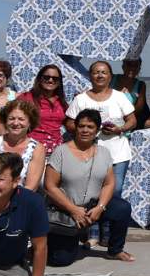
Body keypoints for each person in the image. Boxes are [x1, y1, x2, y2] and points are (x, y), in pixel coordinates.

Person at [66, 59, 137, 251]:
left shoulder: (119, 97)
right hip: (89, 154)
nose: (100, 75)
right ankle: (93, 232)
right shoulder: (81, 99)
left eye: (104, 72)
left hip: (118, 153)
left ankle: (109, 233)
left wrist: (120, 129)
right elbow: (70, 122)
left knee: (114, 193)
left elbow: (132, 120)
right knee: (91, 194)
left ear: (110, 76)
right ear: (90, 76)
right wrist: (87, 132)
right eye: (96, 72)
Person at [44, 110, 118, 263]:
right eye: (81, 126)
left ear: (97, 130)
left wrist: (101, 207)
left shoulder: (104, 152)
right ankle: (73, 238)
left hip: (93, 207)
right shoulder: (61, 151)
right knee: (60, 261)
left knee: (122, 209)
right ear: (75, 128)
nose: (85, 130)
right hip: (65, 209)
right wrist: (72, 209)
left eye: (90, 127)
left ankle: (115, 250)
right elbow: (50, 186)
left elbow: (109, 183)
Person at [0, 99, 49, 191]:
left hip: (20, 201)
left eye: (21, 119)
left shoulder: (37, 149)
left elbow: (31, 187)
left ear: (30, 123)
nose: (15, 123)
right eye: (11, 118)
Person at [26, 64, 69, 149]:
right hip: (32, 147)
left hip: (56, 149)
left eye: (55, 78)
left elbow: (69, 124)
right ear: (40, 78)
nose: (50, 80)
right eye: (46, 77)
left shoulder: (61, 102)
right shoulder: (26, 98)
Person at [117, 57, 149, 126]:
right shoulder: (112, 79)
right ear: (123, 66)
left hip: (128, 119)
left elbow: (139, 108)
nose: (132, 68)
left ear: (139, 69)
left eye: (135, 66)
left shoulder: (141, 85)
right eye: (129, 64)